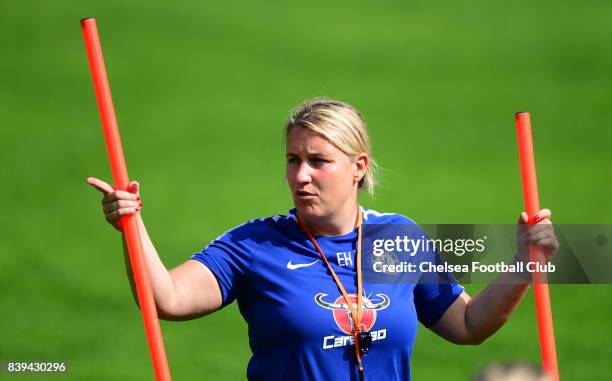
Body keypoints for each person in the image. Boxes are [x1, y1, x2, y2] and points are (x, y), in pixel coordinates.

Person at [87, 98, 559, 381]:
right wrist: (131, 227)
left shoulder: (396, 237)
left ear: (358, 167)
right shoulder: (255, 245)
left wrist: (524, 262)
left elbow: (469, 324)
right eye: (293, 160)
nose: (302, 176)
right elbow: (165, 297)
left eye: (318, 160)